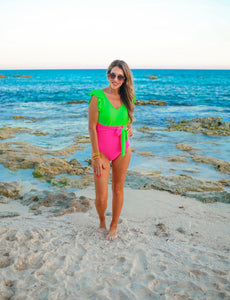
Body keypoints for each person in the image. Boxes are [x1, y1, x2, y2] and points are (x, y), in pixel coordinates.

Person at [88, 59, 135, 241]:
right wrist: (95, 155)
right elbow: (92, 128)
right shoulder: (97, 96)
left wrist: (129, 128)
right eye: (112, 75)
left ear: (125, 79)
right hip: (102, 151)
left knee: (118, 190)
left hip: (123, 149)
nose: (115, 79)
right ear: (108, 74)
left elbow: (128, 120)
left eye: (120, 76)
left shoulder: (128, 97)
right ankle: (102, 221)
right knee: (101, 197)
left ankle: (114, 226)